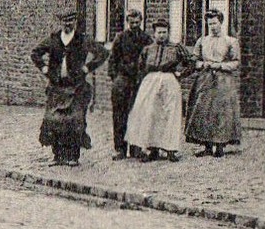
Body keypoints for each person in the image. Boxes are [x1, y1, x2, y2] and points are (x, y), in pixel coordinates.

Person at [30, 9, 108, 166]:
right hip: (57, 86)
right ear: (61, 23)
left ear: (75, 23)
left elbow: (102, 53)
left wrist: (87, 68)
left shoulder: (82, 40)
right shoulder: (54, 39)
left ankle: (73, 156)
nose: (68, 24)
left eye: (71, 21)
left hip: (76, 86)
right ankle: (58, 155)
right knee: (55, 120)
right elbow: (35, 53)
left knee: (74, 120)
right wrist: (45, 69)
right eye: (65, 22)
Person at [126, 17, 190, 161]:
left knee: (170, 114)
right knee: (150, 113)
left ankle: (170, 149)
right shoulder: (148, 49)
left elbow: (190, 62)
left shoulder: (176, 48)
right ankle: (151, 148)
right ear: (154, 34)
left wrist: (181, 73)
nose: (162, 35)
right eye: (159, 32)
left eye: (164, 32)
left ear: (168, 32)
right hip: (150, 82)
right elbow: (140, 67)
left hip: (169, 80)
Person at [186, 10, 242, 156]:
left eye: (215, 23)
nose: (212, 27)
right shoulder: (202, 41)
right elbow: (194, 60)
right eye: (210, 24)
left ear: (221, 22)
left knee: (222, 111)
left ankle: (221, 145)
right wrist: (201, 64)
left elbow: (236, 63)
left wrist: (220, 66)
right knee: (204, 111)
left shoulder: (231, 41)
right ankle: (207, 146)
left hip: (223, 80)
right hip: (205, 79)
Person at [107, 9, 152, 160]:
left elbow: (149, 60)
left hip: (139, 80)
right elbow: (112, 59)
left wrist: (144, 77)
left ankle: (135, 148)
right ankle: (120, 148)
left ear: (141, 22)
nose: (134, 25)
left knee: (138, 114)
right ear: (127, 22)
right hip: (123, 79)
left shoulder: (146, 39)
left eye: (137, 22)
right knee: (120, 114)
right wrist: (116, 78)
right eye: (131, 22)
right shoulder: (120, 38)